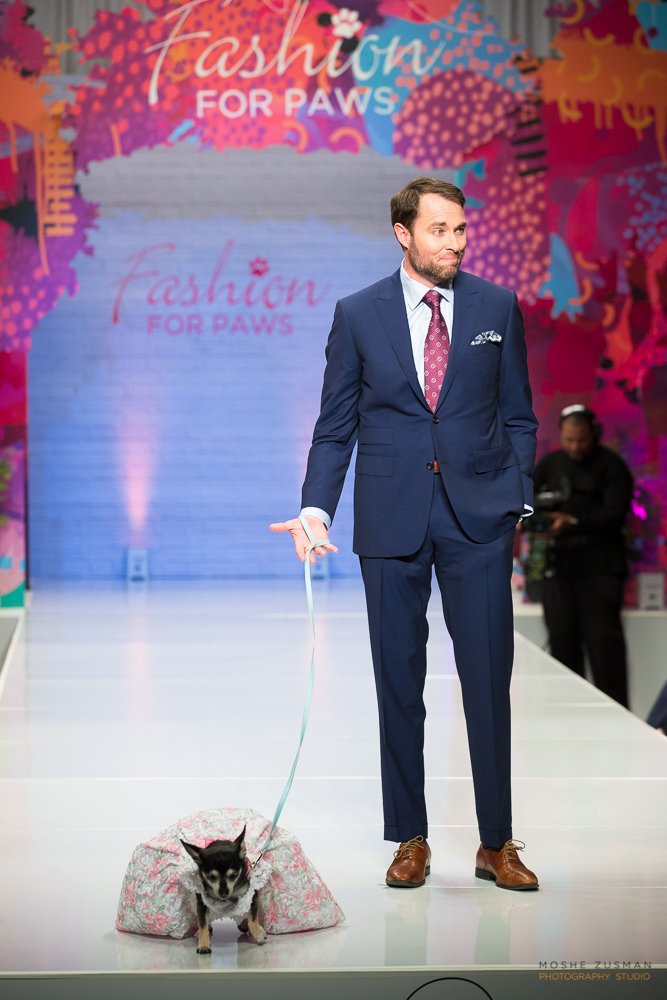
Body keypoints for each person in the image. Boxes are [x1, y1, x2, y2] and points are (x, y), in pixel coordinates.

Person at [270, 177, 539, 891]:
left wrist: (515, 497)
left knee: (488, 683)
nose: (454, 242)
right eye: (438, 230)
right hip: (391, 518)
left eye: (460, 229)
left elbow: (518, 413)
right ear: (403, 233)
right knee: (397, 681)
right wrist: (316, 509)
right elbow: (335, 426)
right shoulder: (358, 314)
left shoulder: (496, 306)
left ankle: (496, 842)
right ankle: (409, 837)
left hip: (479, 520)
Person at [531, 404, 633, 707]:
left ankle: (616, 719)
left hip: (600, 572)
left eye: (581, 440)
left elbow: (615, 515)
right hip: (558, 571)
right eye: (569, 440)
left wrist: (572, 522)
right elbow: (528, 504)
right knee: (562, 649)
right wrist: (533, 523)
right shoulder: (549, 465)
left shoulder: (612, 467)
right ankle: (566, 718)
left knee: (605, 653)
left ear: (594, 434)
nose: (575, 447)